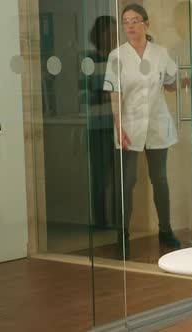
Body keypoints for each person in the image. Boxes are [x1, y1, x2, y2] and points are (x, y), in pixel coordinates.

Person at [104, 3, 181, 252]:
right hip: (129, 125)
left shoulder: (160, 53)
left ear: (146, 24)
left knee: (159, 178)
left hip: (158, 123)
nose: (130, 26)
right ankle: (122, 235)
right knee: (127, 180)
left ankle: (166, 230)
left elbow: (170, 83)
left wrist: (183, 82)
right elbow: (115, 95)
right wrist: (119, 126)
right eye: (125, 22)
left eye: (135, 20)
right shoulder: (117, 56)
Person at [83, 16, 117, 230]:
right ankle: (101, 223)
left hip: (118, 126)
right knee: (99, 178)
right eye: (109, 32)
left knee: (118, 179)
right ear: (99, 35)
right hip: (98, 127)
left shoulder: (118, 59)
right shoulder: (88, 59)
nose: (113, 37)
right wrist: (111, 95)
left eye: (115, 32)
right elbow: (85, 96)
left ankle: (117, 222)